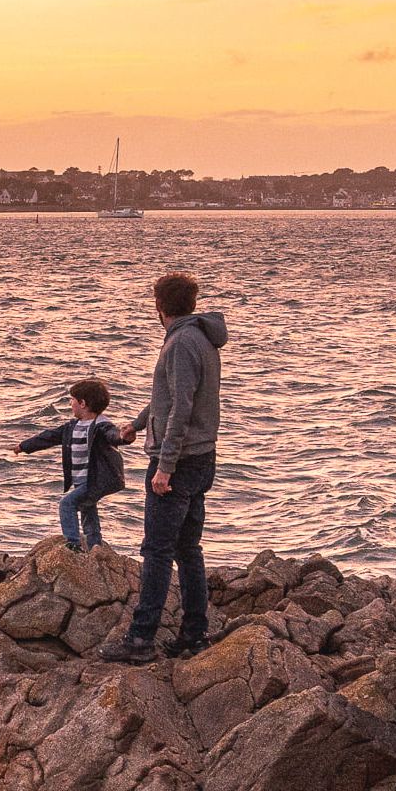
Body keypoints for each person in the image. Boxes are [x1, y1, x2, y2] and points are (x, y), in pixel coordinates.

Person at [99, 272, 228, 663]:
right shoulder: (201, 337)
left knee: (157, 551)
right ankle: (194, 635)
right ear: (190, 303)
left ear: (159, 306)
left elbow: (181, 408)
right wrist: (138, 425)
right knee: (188, 549)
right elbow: (169, 397)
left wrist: (165, 466)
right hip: (202, 457)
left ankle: (140, 640)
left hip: (180, 461)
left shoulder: (180, 343)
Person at [16, 379, 125, 549]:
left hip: (95, 479)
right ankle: (95, 547)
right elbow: (49, 437)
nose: (70, 404)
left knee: (67, 504)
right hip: (81, 479)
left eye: (72, 400)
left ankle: (73, 544)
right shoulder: (72, 427)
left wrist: (123, 437)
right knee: (88, 511)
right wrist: (24, 446)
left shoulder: (101, 426)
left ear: (83, 404)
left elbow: (114, 436)